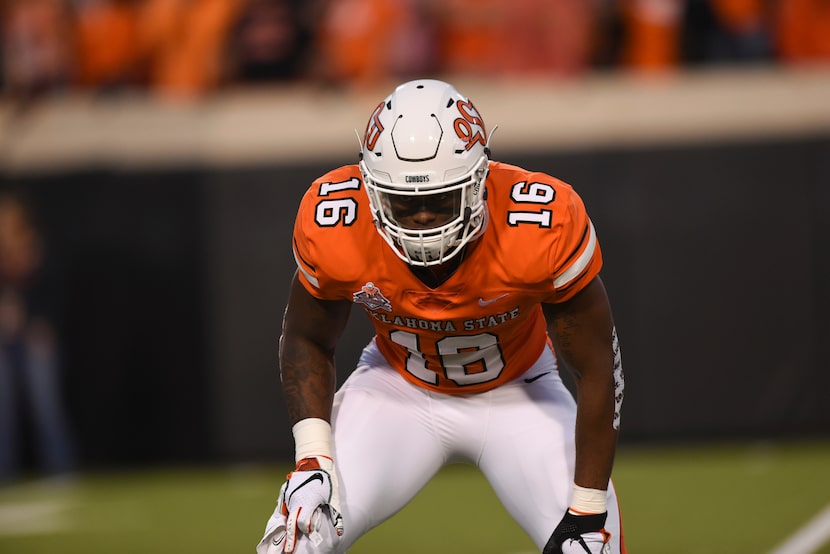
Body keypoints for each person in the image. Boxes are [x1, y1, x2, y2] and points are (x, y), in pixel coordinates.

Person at [257, 79, 626, 554]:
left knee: (589, 549)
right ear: (372, 192)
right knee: (296, 537)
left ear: (478, 182)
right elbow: (306, 337)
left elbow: (599, 368)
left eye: (440, 199)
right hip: (395, 388)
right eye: (404, 202)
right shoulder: (337, 223)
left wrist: (588, 508)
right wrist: (312, 460)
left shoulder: (539, 226)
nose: (423, 218)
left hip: (521, 392)